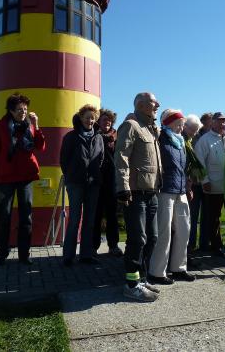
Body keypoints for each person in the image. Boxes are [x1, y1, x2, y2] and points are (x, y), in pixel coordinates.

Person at [0, 93, 45, 266]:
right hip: (5, 177)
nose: (23, 112)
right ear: (11, 110)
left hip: (26, 176)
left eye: (25, 109)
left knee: (26, 217)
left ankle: (24, 255)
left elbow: (40, 146)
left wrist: (36, 125)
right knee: (4, 216)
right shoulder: (0, 126)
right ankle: (2, 254)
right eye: (19, 109)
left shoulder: (30, 125)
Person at [115, 92, 163, 301]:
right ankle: (131, 284)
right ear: (141, 105)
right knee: (137, 239)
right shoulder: (131, 126)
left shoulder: (150, 129)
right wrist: (123, 187)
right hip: (135, 193)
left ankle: (142, 279)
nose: (158, 104)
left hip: (151, 192)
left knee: (152, 238)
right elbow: (121, 156)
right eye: (153, 102)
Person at [148, 109, 195, 284]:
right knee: (164, 231)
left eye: (182, 124)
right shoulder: (160, 138)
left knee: (184, 230)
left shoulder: (180, 141)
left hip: (180, 190)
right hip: (165, 190)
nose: (182, 128)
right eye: (179, 124)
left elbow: (182, 168)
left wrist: (188, 185)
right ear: (169, 123)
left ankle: (178, 268)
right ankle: (157, 272)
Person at [60, 105, 104, 265]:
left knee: (90, 220)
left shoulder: (99, 138)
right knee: (74, 219)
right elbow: (64, 160)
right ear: (80, 117)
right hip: (75, 183)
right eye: (87, 117)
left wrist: (94, 175)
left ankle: (86, 255)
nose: (90, 120)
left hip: (93, 184)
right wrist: (72, 175)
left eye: (93, 118)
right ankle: (68, 256)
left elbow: (100, 159)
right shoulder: (70, 137)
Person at [194, 112, 225, 255]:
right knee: (214, 219)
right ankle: (216, 246)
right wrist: (204, 181)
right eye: (219, 121)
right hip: (213, 186)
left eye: (224, 121)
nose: (222, 124)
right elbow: (199, 163)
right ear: (212, 122)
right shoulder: (204, 140)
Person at [92, 109, 123, 257]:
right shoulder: (93, 135)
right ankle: (93, 247)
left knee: (112, 215)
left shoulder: (116, 137)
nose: (107, 122)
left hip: (112, 180)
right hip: (96, 180)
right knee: (96, 215)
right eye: (104, 119)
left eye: (109, 120)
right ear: (99, 121)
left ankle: (113, 246)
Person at [182, 114, 207, 253]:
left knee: (191, 217)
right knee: (188, 217)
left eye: (196, 130)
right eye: (193, 130)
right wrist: (188, 183)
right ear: (185, 126)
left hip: (189, 183)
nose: (194, 133)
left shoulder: (189, 141)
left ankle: (189, 248)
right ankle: (188, 247)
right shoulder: (183, 141)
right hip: (184, 185)